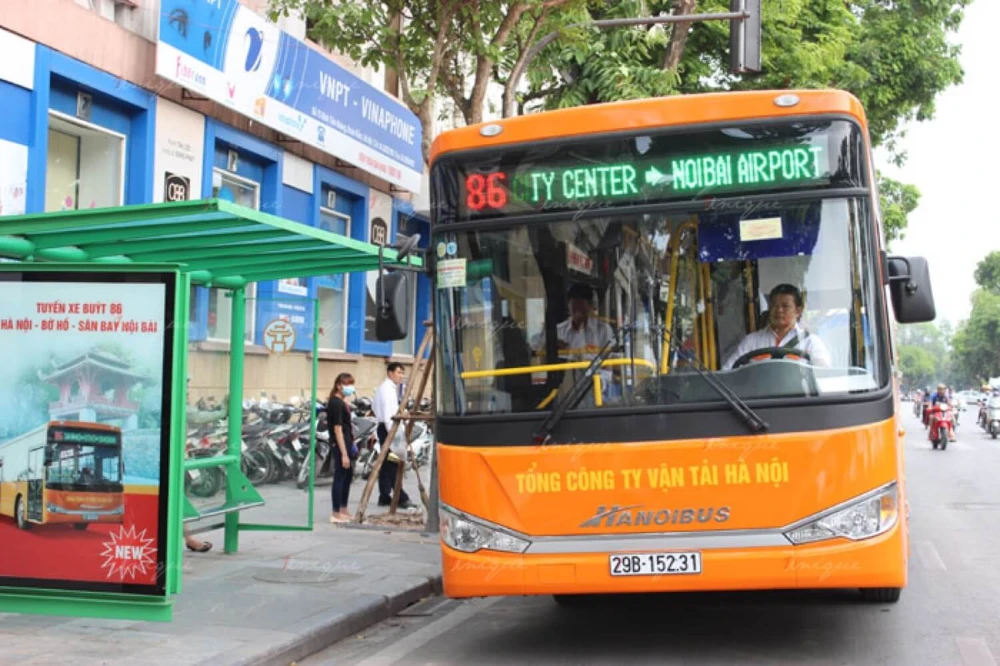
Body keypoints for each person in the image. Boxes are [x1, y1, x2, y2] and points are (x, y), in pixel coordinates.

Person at [721, 283, 833, 370]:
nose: (779, 310)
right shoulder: (751, 342)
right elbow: (727, 372)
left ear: (798, 311)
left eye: (785, 306)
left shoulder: (811, 342)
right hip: (758, 398)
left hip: (800, 399)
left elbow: (824, 375)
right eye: (774, 305)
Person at [372, 362, 416, 509]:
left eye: (402, 373)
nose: (401, 375)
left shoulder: (389, 388)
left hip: (390, 428)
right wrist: (393, 434)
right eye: (398, 372)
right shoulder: (386, 390)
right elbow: (387, 415)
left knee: (386, 464)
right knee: (393, 463)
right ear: (390, 373)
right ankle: (401, 497)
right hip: (390, 429)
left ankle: (384, 496)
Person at [327, 372, 359, 523]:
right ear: (338, 385)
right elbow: (337, 429)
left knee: (347, 476)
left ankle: (343, 508)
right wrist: (344, 454)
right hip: (340, 445)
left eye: (351, 384)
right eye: (346, 384)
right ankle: (335, 512)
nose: (349, 387)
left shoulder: (343, 402)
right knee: (340, 476)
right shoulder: (336, 404)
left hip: (346, 442)